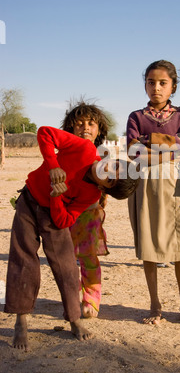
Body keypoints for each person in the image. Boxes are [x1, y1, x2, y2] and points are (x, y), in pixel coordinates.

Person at [4, 125, 138, 351]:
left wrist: (57, 197)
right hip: (28, 201)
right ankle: (21, 322)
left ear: (104, 188)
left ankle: (74, 319)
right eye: (115, 166)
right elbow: (44, 132)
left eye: (112, 180)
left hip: (52, 217)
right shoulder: (84, 148)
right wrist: (53, 166)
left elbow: (64, 221)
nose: (108, 171)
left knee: (66, 266)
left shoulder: (91, 193)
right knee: (23, 260)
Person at [126, 59, 180, 327]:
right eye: (151, 82)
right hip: (144, 185)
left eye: (162, 83)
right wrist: (173, 147)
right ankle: (155, 306)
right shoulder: (136, 117)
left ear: (173, 86)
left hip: (174, 185)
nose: (156, 88)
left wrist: (151, 145)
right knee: (149, 245)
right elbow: (133, 151)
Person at [61, 100, 110, 318]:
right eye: (79, 123)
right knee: (66, 262)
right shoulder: (62, 154)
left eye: (91, 123)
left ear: (99, 129)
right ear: (70, 128)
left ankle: (91, 300)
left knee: (89, 259)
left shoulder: (102, 157)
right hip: (63, 216)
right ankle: (71, 301)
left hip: (89, 217)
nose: (85, 128)